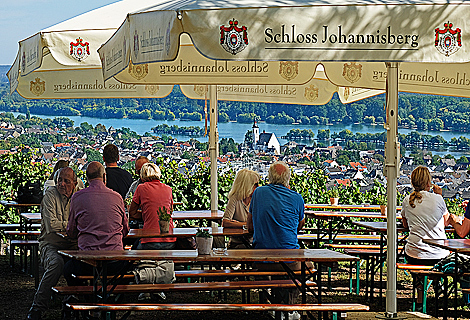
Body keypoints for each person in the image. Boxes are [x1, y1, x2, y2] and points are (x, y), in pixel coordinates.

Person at [247, 161, 305, 319]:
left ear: (269, 177)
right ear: (288, 178)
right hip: (288, 259)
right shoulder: (297, 198)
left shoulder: (258, 193)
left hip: (261, 257)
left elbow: (249, 226)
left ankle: (273, 305)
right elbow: (299, 226)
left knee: (274, 271)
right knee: (307, 267)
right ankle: (288, 307)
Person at [64, 161, 129, 286]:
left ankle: (84, 297)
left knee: (67, 269)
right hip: (114, 261)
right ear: (105, 176)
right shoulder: (117, 197)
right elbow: (125, 230)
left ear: (87, 178)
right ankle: (113, 297)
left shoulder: (77, 197)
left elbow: (71, 232)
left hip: (87, 261)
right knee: (129, 269)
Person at [26, 167, 79, 320]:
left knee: (84, 263)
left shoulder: (78, 197)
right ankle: (37, 307)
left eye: (66, 181)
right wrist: (71, 225)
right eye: (59, 181)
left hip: (73, 245)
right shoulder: (50, 195)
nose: (62, 184)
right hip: (51, 244)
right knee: (56, 264)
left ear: (74, 184)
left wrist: (71, 225)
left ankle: (73, 301)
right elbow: (51, 226)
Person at [401, 166, 451, 305]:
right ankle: (436, 283)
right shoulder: (438, 199)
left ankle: (420, 293)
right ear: (429, 182)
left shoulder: (407, 200)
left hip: (414, 254)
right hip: (438, 255)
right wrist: (439, 195)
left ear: (412, 182)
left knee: (412, 254)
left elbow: (405, 225)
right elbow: (446, 222)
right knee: (438, 260)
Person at [129, 162, 176, 250]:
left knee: (133, 252)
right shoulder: (168, 189)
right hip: (170, 240)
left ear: (142, 176)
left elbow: (132, 213)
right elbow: (170, 212)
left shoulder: (141, 188)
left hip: (150, 240)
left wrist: (146, 215)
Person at [222, 168, 260, 249]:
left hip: (254, 243)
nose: (258, 187)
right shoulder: (235, 198)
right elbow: (225, 222)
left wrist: (236, 224)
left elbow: (259, 224)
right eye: (255, 184)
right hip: (237, 243)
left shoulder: (258, 198)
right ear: (247, 185)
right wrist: (247, 224)